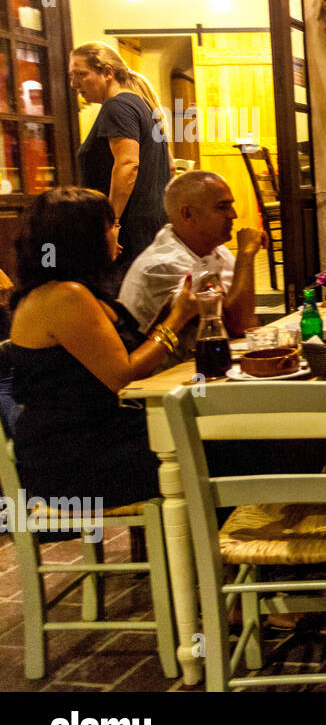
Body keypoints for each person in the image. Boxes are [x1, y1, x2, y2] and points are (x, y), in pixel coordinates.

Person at [4, 187, 198, 509]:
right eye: (110, 224)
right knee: (214, 448)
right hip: (73, 458)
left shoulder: (79, 291)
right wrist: (176, 321)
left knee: (213, 440)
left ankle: (218, 549)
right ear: (84, 237)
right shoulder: (65, 296)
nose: (116, 231)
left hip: (101, 436)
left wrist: (167, 315)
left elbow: (122, 356)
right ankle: (220, 551)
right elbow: (121, 375)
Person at [120, 171, 265, 347]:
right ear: (187, 214)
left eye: (231, 206)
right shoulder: (162, 265)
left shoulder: (218, 251)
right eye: (222, 207)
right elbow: (239, 324)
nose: (233, 214)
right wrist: (246, 254)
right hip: (171, 372)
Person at [68, 43, 172, 285]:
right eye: (72, 76)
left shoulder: (118, 106)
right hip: (146, 224)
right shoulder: (139, 104)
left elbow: (127, 164)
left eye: (81, 74)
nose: (74, 84)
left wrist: (112, 223)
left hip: (129, 230)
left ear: (107, 72)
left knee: (124, 307)